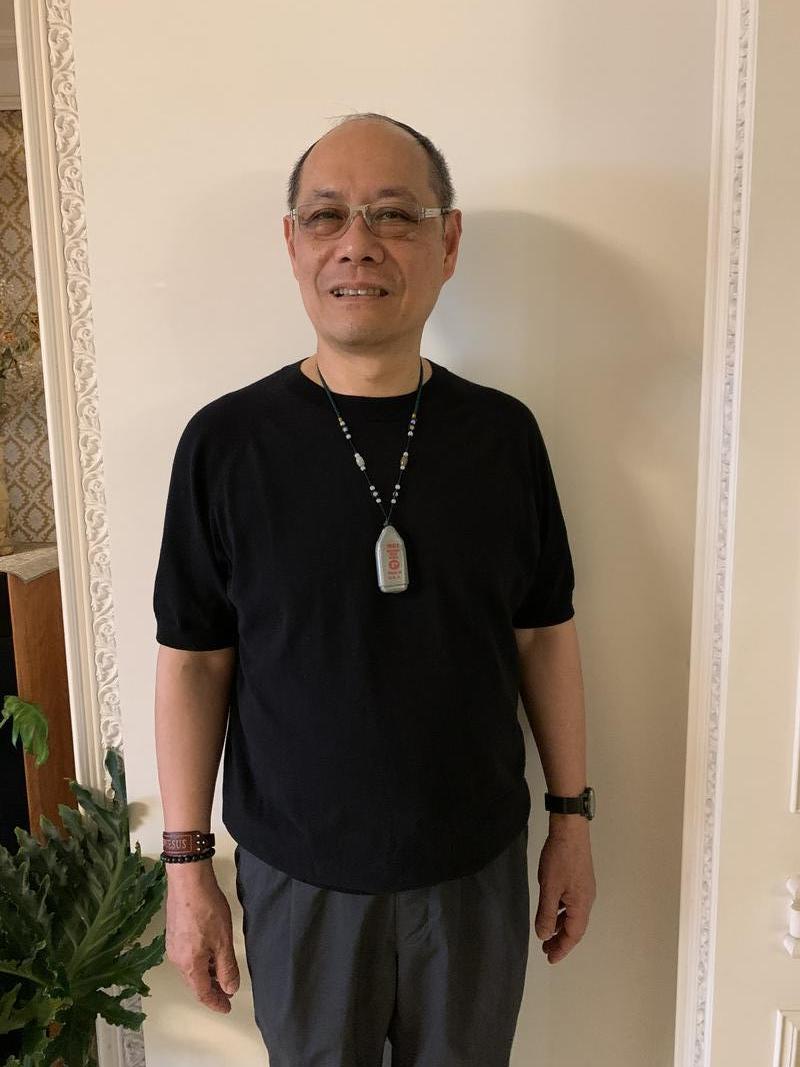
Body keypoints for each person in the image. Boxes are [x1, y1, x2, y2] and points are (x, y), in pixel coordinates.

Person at [153, 111, 596, 1066]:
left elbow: (542, 635)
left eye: (394, 213)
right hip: (298, 881)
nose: (357, 243)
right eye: (327, 216)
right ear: (292, 242)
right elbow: (193, 663)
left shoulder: (504, 438)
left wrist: (573, 819)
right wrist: (186, 869)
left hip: (474, 871)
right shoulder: (226, 445)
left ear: (448, 241)